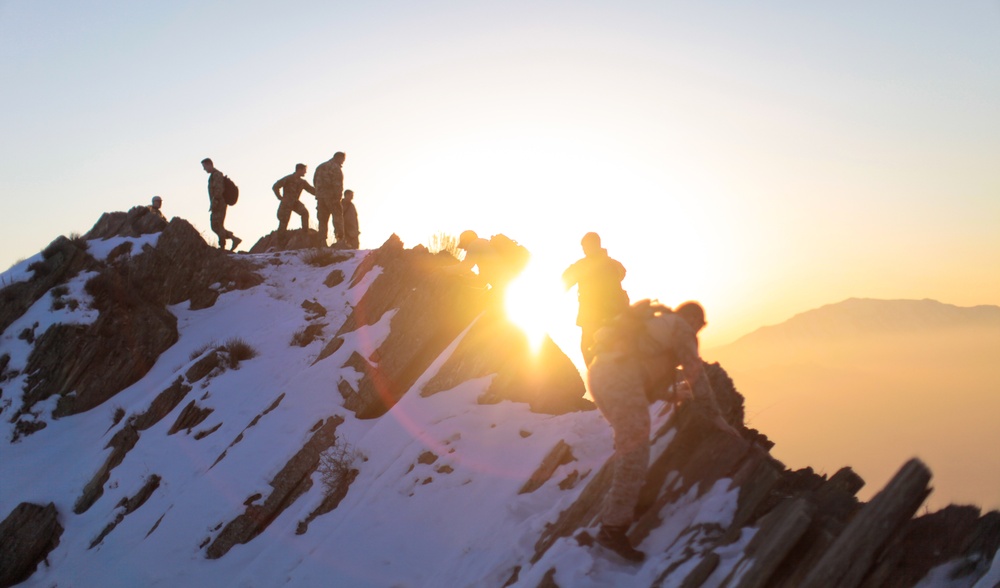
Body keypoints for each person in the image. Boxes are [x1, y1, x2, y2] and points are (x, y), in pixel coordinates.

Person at [587, 300, 727, 562]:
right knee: (635, 451)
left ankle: (628, 506)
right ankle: (612, 530)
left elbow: (644, 374)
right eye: (700, 325)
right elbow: (696, 373)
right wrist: (717, 417)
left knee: (630, 448)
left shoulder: (655, 326)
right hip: (620, 377)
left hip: (600, 374)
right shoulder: (681, 328)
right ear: (694, 320)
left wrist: (669, 393)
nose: (698, 331)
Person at [562, 232, 630, 366]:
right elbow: (622, 274)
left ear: (595, 245)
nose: (585, 250)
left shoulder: (584, 265)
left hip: (595, 317)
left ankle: (599, 377)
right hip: (614, 314)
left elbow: (565, 281)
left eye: (586, 246)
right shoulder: (614, 264)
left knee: (588, 347)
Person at [454, 230, 528, 299]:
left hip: (502, 286)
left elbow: (465, 266)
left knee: (484, 307)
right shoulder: (484, 246)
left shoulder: (475, 244)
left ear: (467, 240)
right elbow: (482, 281)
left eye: (463, 244)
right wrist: (464, 280)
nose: (464, 249)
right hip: (504, 285)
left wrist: (444, 270)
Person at [201, 158, 241, 251]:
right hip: (217, 203)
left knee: (217, 225)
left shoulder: (217, 175)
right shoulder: (213, 176)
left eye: (204, 167)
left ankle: (222, 245)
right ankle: (233, 239)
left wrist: (215, 202)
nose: (204, 169)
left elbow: (219, 189)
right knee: (215, 225)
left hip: (219, 203)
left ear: (209, 165)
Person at [313, 151, 346, 246]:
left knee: (322, 219)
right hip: (332, 197)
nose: (343, 162)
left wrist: (319, 193)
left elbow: (315, 181)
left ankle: (321, 241)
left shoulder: (320, 167)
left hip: (320, 197)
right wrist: (338, 197)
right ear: (339, 158)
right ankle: (340, 240)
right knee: (337, 217)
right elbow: (338, 185)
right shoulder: (335, 168)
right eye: (343, 159)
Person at [273, 163, 316, 232]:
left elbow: (312, 190)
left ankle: (305, 232)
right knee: (283, 222)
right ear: (299, 170)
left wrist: (323, 193)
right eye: (304, 170)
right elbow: (275, 186)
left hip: (295, 202)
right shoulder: (288, 178)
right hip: (286, 203)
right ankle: (280, 239)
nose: (305, 172)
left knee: (305, 213)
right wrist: (280, 197)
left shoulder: (302, 182)